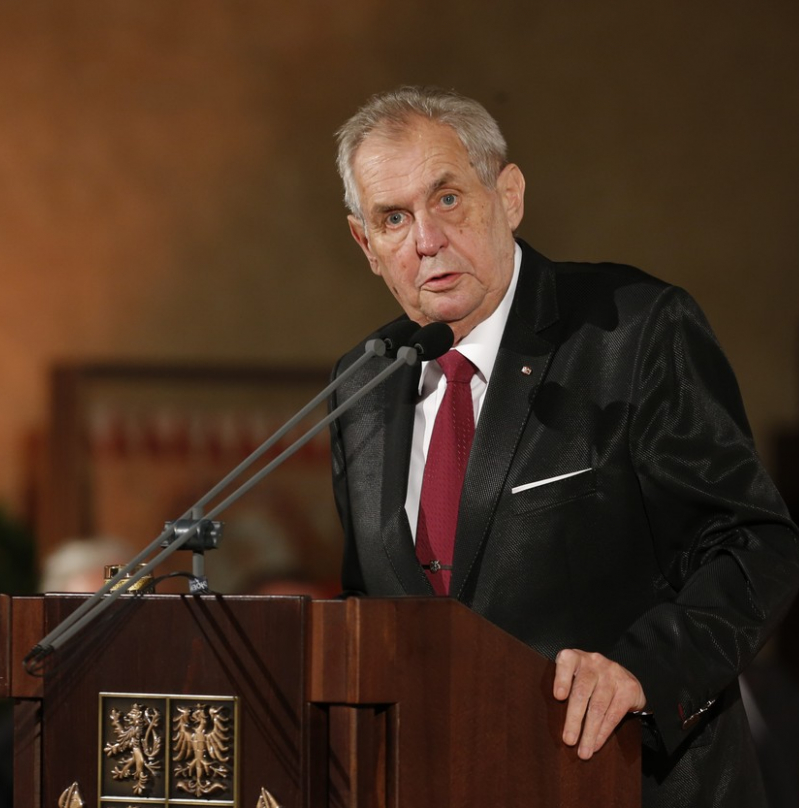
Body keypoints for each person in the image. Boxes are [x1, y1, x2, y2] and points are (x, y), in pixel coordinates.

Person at [328, 86, 799, 807]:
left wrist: (644, 672)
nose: (426, 239)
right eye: (394, 217)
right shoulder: (362, 386)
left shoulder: (631, 331)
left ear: (509, 195)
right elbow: (372, 605)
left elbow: (755, 544)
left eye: (448, 199)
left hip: (630, 781)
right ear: (366, 244)